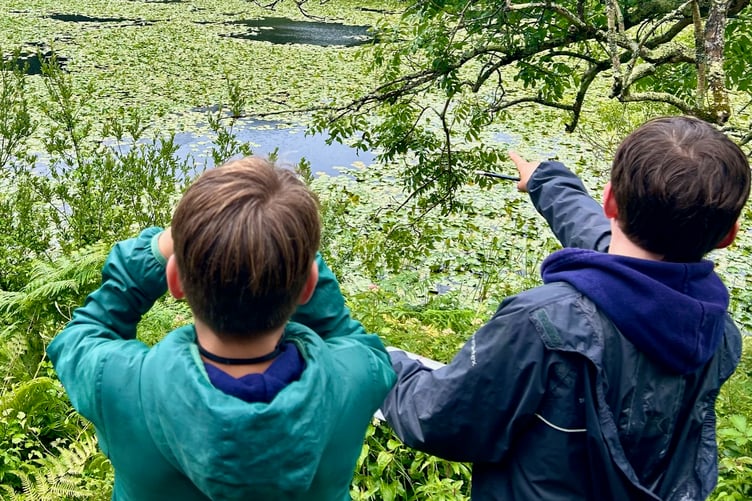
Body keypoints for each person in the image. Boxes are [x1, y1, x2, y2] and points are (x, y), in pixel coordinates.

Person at [380, 116, 750, 500]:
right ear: (728, 235)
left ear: (609, 200)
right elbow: (621, 255)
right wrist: (548, 181)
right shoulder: (718, 334)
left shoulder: (543, 325)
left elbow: (440, 420)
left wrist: (377, 362)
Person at [47, 156, 396, 500]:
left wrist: (169, 244)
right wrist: (281, 241)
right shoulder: (358, 375)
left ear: (175, 281)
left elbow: (84, 332)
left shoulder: (117, 383)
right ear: (308, 286)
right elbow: (339, 330)